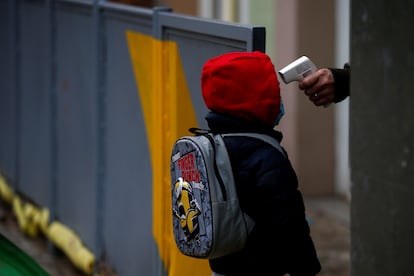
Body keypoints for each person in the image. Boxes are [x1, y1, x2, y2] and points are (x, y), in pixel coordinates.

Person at [201, 51, 321, 276]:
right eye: (274, 93)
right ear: (256, 100)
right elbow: (289, 224)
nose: (279, 101)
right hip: (263, 266)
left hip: (222, 265)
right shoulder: (266, 157)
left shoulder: (214, 145)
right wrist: (307, 268)